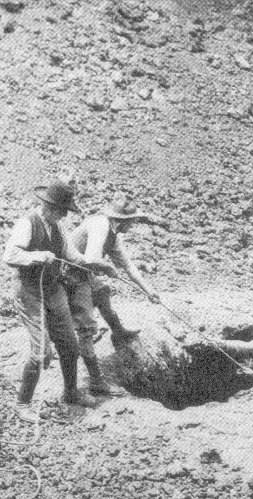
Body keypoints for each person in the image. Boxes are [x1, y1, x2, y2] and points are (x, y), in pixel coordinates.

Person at [2, 181, 101, 423]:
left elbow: (71, 255)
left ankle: (71, 392)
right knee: (41, 351)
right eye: (62, 210)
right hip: (29, 290)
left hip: (53, 288)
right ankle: (23, 403)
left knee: (69, 344)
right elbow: (10, 255)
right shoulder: (28, 223)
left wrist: (94, 264)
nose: (65, 215)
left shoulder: (58, 227)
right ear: (49, 206)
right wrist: (37, 256)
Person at [64, 192, 160, 395]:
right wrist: (108, 268)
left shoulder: (113, 236)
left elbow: (128, 266)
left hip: (84, 272)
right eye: (132, 221)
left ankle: (118, 331)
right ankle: (97, 381)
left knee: (102, 292)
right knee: (87, 327)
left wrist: (149, 291)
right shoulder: (100, 225)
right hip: (69, 274)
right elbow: (91, 258)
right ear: (123, 220)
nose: (133, 225)